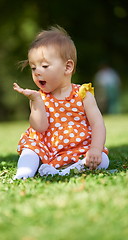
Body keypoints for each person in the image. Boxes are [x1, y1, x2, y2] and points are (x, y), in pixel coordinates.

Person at [13, 26, 109, 180]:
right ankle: (23, 174)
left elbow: (97, 124)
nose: (37, 71)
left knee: (103, 160)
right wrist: (36, 101)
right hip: (46, 148)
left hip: (79, 147)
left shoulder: (83, 94)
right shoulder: (38, 97)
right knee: (30, 150)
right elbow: (39, 127)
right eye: (33, 67)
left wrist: (95, 149)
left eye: (44, 66)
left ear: (67, 67)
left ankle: (63, 173)